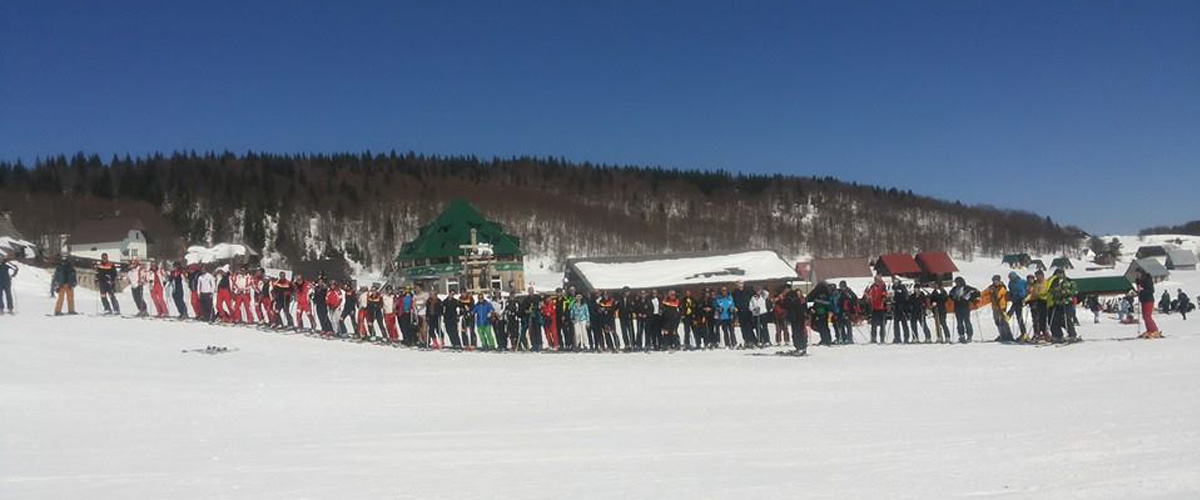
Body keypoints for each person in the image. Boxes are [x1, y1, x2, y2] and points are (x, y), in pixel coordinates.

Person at [949, 277, 979, 343]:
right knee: (959, 322)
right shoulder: (954, 289)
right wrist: (953, 297)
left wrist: (973, 298)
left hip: (965, 307)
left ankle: (969, 335)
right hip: (957, 307)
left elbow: (976, 291)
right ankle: (961, 335)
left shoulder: (967, 288)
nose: (957, 284)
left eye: (958, 282)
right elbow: (950, 294)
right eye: (956, 282)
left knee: (967, 321)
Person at [986, 275, 1014, 342]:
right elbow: (986, 293)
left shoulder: (1002, 287)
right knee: (997, 321)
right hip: (995, 307)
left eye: (996, 280)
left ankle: (1008, 335)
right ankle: (1002, 335)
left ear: (999, 280)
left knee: (1003, 321)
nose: (995, 282)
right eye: (994, 280)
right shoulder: (991, 287)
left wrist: (993, 292)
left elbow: (999, 295)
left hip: (1002, 307)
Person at [1134, 268, 1161, 338]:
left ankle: (1154, 330)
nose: (1137, 275)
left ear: (1141, 273)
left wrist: (1142, 290)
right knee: (1144, 317)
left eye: (1138, 274)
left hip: (1149, 300)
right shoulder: (1138, 281)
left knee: (1147, 316)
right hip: (1143, 300)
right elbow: (1139, 290)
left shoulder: (1147, 279)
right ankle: (1149, 330)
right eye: (1136, 274)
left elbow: (1151, 290)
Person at [783, 287, 808, 354]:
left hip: (799, 318)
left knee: (800, 333)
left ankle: (801, 346)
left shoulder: (796, 300)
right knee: (797, 333)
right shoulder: (793, 299)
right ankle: (799, 347)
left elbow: (804, 308)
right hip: (796, 318)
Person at [889, 277, 911, 343]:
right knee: (896, 324)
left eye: (896, 281)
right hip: (896, 308)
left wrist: (904, 305)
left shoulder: (902, 287)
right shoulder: (892, 288)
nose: (895, 283)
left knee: (904, 323)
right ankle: (897, 338)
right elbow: (892, 297)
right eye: (894, 281)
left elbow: (905, 296)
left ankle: (906, 338)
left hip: (902, 308)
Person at [1006, 272, 1029, 340]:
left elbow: (1027, 288)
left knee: (1019, 315)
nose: (1011, 279)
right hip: (1015, 299)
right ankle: (1023, 333)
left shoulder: (1022, 282)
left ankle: (1009, 314)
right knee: (1019, 317)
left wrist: (1026, 297)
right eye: (1010, 278)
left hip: (1021, 299)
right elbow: (1011, 291)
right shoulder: (1010, 283)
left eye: (1012, 277)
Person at [866, 277, 888, 343]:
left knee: (882, 324)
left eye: (878, 280)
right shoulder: (872, 287)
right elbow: (868, 293)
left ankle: (882, 339)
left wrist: (883, 298)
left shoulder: (883, 286)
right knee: (873, 324)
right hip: (874, 308)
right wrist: (868, 298)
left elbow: (884, 295)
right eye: (875, 280)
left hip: (881, 308)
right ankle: (873, 338)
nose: (876, 281)